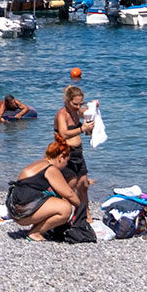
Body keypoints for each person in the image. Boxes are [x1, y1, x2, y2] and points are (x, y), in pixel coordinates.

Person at [7, 139, 79, 241]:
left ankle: (36, 229)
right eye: (66, 161)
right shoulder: (50, 169)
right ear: (60, 157)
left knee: (55, 199)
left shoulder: (40, 164)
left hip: (15, 207)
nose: (66, 165)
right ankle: (35, 233)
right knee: (65, 209)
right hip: (22, 211)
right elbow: (69, 194)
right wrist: (81, 207)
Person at [54, 85, 95, 221]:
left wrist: (94, 107)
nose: (78, 107)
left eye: (80, 104)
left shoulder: (77, 112)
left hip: (78, 153)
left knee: (83, 185)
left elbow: (88, 112)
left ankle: (85, 215)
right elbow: (64, 133)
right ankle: (63, 215)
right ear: (67, 100)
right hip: (65, 154)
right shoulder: (62, 114)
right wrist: (82, 129)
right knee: (69, 187)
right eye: (75, 104)